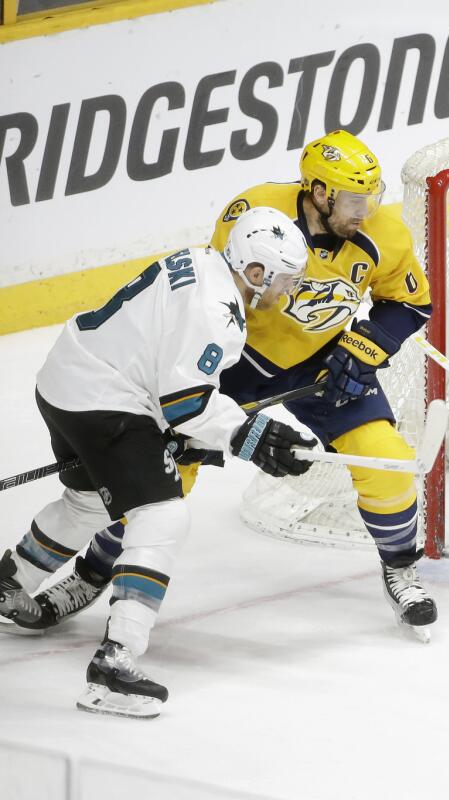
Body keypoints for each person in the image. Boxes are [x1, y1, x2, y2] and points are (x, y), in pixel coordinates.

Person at [12, 130, 440, 642]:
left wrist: (364, 348)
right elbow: (219, 301)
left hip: (326, 361)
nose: (365, 210)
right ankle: (91, 574)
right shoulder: (255, 214)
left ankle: (401, 568)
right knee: (162, 484)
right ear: (320, 192)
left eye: (371, 196)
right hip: (236, 363)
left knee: (386, 460)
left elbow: (411, 303)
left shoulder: (385, 234)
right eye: (353, 199)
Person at [0, 207, 315, 717]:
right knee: (163, 515)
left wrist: (195, 437)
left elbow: (165, 376)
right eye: (285, 281)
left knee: (87, 503)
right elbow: (187, 403)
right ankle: (114, 667)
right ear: (255, 273)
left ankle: (9, 582)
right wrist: (250, 435)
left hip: (65, 376)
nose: (289, 292)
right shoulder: (219, 314)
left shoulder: (201, 261)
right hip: (104, 400)